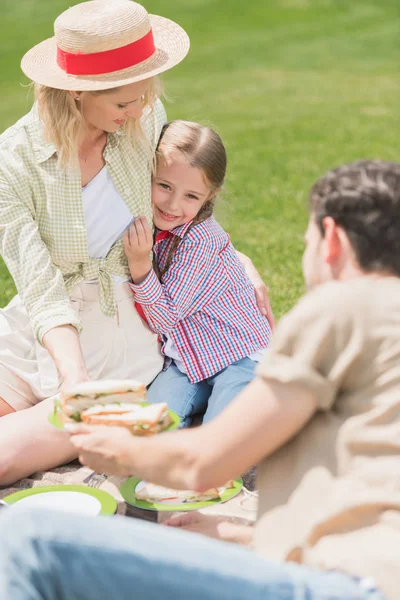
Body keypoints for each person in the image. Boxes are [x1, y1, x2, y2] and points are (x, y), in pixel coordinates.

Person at [1, 159, 399, 600]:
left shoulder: (342, 309)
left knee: (28, 538)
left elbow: (205, 464)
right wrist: (242, 537)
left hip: (353, 587)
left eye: (307, 241)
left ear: (333, 243)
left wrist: (114, 445)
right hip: (351, 571)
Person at [0, 0, 273, 485]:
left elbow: (183, 204)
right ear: (78, 92)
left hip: (121, 336)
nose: (142, 110)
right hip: (46, 326)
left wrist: (237, 261)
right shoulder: (13, 161)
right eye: (125, 102)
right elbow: (40, 288)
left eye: (146, 96)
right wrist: (72, 376)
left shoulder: (143, 121)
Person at [124, 120, 272, 426]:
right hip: (187, 362)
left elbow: (165, 317)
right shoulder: (153, 224)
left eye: (191, 196)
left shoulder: (201, 238)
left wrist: (140, 268)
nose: (173, 205)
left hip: (238, 357)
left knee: (222, 432)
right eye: (164, 186)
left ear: (210, 195)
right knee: (148, 426)